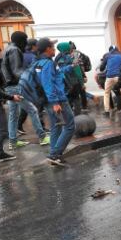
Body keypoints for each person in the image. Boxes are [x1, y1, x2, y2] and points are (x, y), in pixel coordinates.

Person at [2, 31, 48, 149]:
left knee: (13, 114)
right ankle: (42, 137)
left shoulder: (7, 49)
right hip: (15, 86)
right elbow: (17, 70)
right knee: (33, 110)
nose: (26, 42)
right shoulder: (14, 50)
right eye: (25, 39)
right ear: (20, 40)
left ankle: (13, 141)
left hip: (9, 87)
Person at [34, 37, 75, 167]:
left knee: (56, 126)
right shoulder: (48, 63)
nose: (54, 50)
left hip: (47, 99)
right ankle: (55, 154)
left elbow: (55, 75)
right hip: (57, 100)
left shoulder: (39, 63)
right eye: (52, 47)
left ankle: (54, 154)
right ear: (47, 49)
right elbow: (48, 83)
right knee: (70, 126)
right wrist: (55, 102)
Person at [99, 45, 121, 117]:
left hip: (109, 77)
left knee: (106, 93)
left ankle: (107, 111)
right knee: (119, 93)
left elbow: (101, 68)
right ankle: (119, 109)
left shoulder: (107, 55)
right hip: (118, 76)